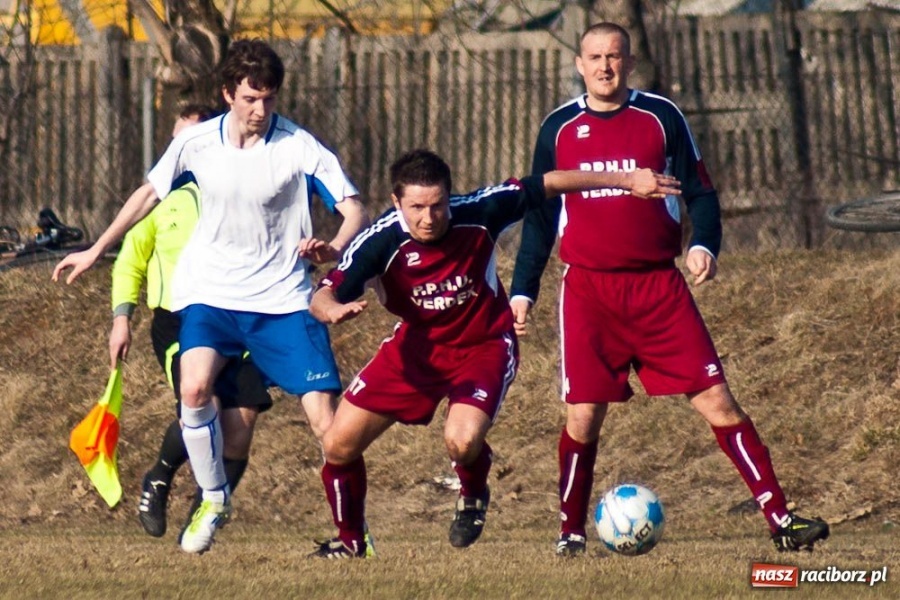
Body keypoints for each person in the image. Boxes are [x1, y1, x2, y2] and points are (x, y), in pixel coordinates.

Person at [509, 22, 830, 556]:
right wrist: (524, 289)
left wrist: (704, 244)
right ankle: (570, 532)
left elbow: (702, 193)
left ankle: (781, 520)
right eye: (594, 57)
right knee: (583, 418)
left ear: (629, 62)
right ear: (578, 64)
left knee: (720, 403)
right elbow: (540, 217)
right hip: (589, 292)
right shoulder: (559, 128)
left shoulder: (661, 117)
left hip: (659, 287)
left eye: (614, 56)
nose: (604, 66)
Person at [53, 39, 370, 554]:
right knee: (194, 391)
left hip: (284, 300)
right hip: (212, 295)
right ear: (228, 94)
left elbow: (354, 207)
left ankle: (356, 536)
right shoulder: (197, 142)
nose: (261, 111)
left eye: (268, 99)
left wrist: (332, 246)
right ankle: (216, 496)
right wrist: (96, 248)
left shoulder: (298, 146)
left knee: (327, 427)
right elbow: (148, 193)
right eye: (250, 99)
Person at [307, 148, 681, 558]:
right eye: (416, 208)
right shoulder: (380, 240)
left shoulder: (480, 211)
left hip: (482, 346)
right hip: (417, 349)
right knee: (338, 445)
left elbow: (548, 183)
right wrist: (333, 310)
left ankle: (472, 493)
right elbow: (323, 293)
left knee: (462, 441)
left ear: (450, 196)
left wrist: (626, 181)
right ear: (397, 203)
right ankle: (351, 542)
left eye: (437, 205)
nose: (429, 218)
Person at [109, 104, 273, 540]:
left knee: (241, 426)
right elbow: (129, 261)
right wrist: (121, 318)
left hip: (239, 316)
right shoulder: (161, 203)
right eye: (178, 142)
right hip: (178, 321)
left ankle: (206, 511)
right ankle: (158, 478)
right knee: (204, 403)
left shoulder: (244, 194)